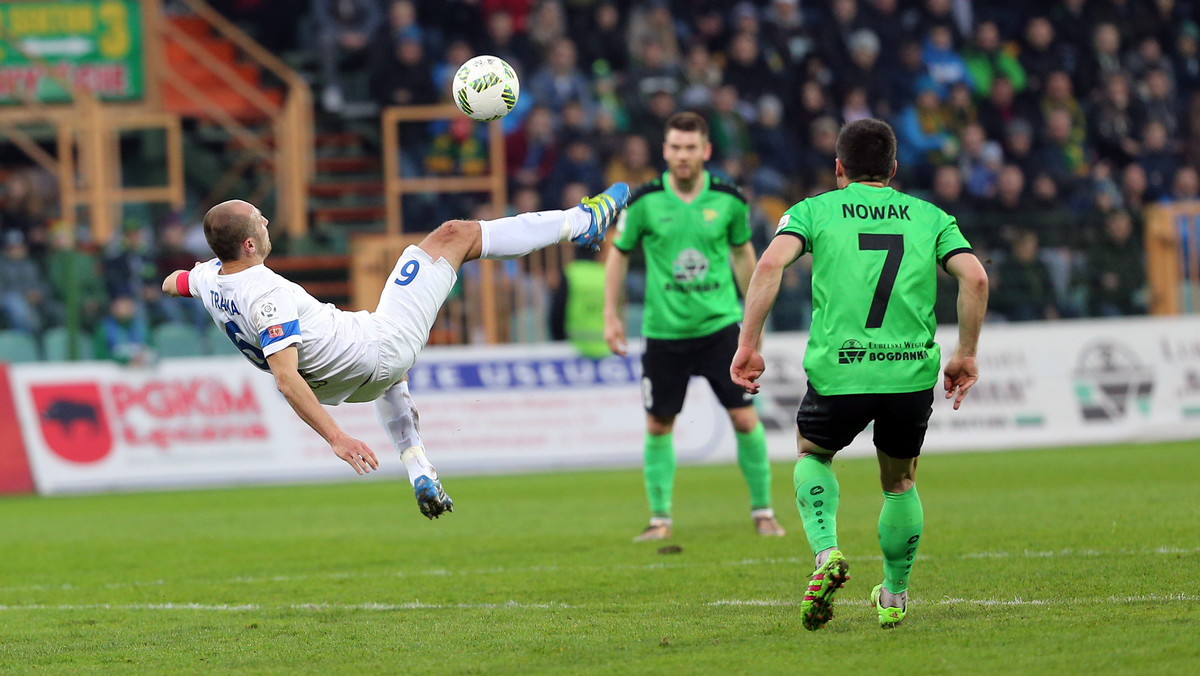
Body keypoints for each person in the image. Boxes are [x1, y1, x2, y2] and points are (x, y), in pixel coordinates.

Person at [162, 185, 629, 518]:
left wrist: (200, 280)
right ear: (248, 244)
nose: (266, 221)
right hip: (378, 351)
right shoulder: (266, 295)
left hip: (346, 383)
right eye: (259, 220)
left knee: (376, 352)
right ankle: (583, 222)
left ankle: (419, 468)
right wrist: (337, 439)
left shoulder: (210, 278)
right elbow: (286, 378)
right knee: (454, 234)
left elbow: (171, 282)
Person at [730, 119, 989, 630]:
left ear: (839, 168)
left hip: (840, 371)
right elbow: (975, 276)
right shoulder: (931, 217)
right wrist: (965, 353)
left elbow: (767, 266)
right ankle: (893, 597)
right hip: (908, 375)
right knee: (899, 481)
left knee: (812, 453)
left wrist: (748, 345)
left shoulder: (812, 211)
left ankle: (827, 554)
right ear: (893, 169)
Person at [604, 112, 785, 542]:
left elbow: (745, 256)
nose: (682, 155)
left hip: (720, 327)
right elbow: (618, 253)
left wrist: (754, 323)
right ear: (664, 151)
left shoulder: (728, 198)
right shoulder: (644, 200)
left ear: (705, 151)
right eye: (675, 147)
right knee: (658, 426)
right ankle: (660, 518)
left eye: (690, 148)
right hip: (665, 331)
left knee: (744, 418)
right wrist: (610, 315)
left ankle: (764, 512)